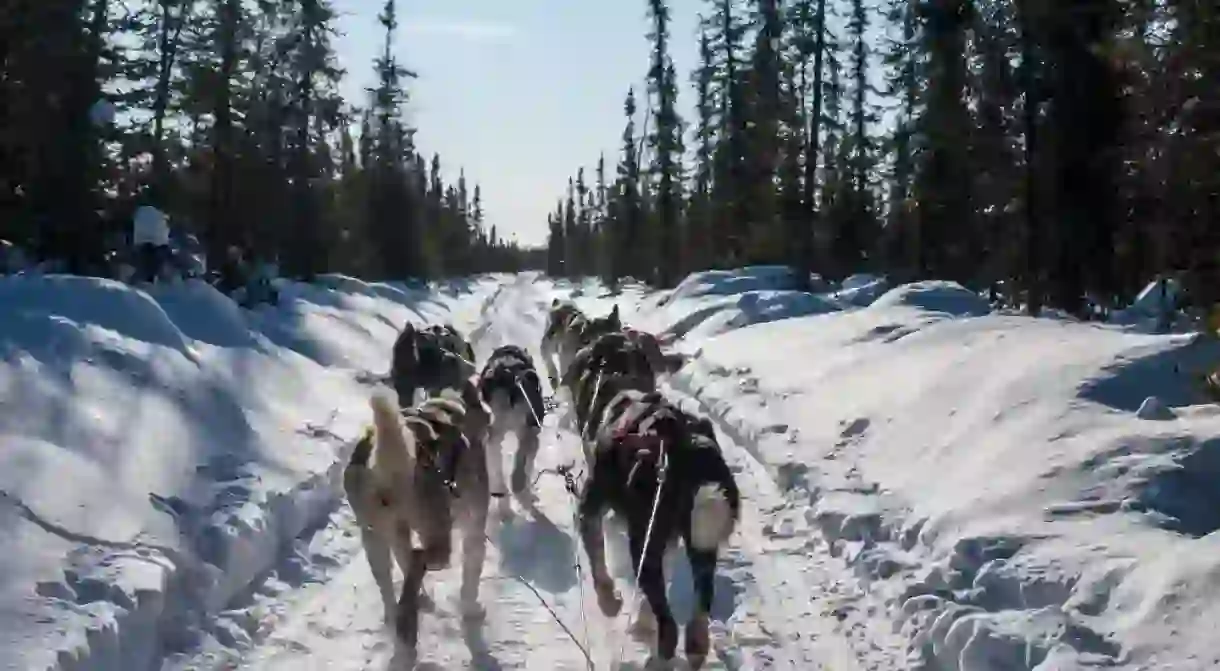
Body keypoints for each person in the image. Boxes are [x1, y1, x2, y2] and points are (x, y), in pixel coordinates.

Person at [131, 202, 170, 284]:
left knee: (144, 267)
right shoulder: (159, 214)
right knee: (155, 266)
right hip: (157, 243)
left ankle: (142, 282)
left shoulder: (141, 211)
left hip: (143, 242)